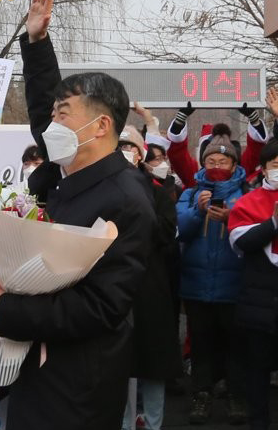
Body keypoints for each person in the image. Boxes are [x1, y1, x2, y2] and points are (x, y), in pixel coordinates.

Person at [0, 0, 155, 430]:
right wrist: (36, 42)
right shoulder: (61, 174)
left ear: (101, 126)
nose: (52, 124)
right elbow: (41, 109)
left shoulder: (127, 199)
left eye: (64, 114)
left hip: (80, 384)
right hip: (34, 366)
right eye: (53, 114)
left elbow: (100, 307)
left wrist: (5, 310)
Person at [175, 130, 249, 424]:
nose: (217, 166)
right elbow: (179, 229)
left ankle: (235, 395)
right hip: (197, 285)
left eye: (223, 161)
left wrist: (233, 218)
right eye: (211, 161)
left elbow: (256, 232)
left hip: (235, 286)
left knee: (235, 345)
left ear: (234, 165)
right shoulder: (191, 193)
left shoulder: (246, 194)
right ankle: (201, 395)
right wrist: (198, 211)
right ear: (203, 164)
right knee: (201, 345)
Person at [118, 126, 182, 430]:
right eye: (120, 147)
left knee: (154, 363)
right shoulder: (102, 190)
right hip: (114, 288)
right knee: (118, 365)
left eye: (130, 147)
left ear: (140, 154)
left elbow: (167, 234)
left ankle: (154, 423)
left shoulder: (158, 192)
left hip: (151, 285)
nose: (125, 152)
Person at [228, 140, 278, 430]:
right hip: (258, 304)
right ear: (264, 168)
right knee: (257, 370)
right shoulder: (249, 201)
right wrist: (273, 223)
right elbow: (241, 242)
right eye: (275, 164)